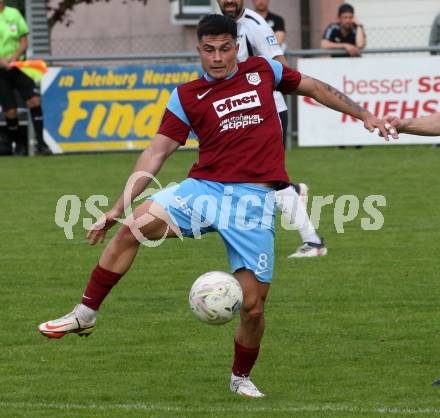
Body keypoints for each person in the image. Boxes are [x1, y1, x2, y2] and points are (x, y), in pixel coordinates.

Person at [38, 14, 390, 398]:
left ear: (236, 47)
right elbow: (157, 152)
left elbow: (315, 87)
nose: (218, 57)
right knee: (132, 227)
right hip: (203, 190)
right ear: (198, 50)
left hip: (253, 202)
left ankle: (240, 377)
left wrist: (364, 114)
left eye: (225, 48)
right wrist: (117, 205)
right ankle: (84, 314)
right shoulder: (187, 96)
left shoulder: (264, 71)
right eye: (209, 50)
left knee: (253, 308)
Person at [217, 0, 326, 258]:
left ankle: (313, 242)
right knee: (246, 175)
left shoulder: (254, 25)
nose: (228, 0)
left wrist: (264, 100)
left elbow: (281, 66)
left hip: (269, 112)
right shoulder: (219, 25)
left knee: (265, 179)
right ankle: (294, 193)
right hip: (242, 115)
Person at [0, 0, 49, 155]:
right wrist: (2, 61)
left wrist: (14, 58)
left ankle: (41, 144)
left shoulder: (13, 13)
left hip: (18, 66)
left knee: (34, 101)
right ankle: (19, 145)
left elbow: (23, 40)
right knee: (10, 112)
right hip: (1, 70)